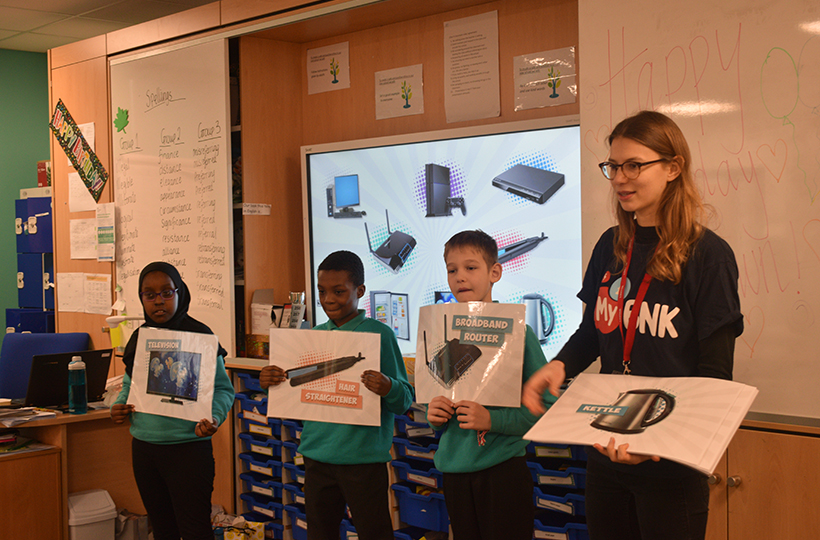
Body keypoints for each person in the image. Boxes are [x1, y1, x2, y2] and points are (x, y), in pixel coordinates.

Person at [522, 110, 744, 540]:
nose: (620, 178)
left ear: (673, 168)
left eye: (634, 165)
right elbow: (595, 331)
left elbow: (716, 375)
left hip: (668, 463)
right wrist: (560, 365)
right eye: (613, 166)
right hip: (608, 447)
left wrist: (658, 442)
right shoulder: (611, 245)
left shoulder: (708, 256)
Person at [259, 250, 414, 540]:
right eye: (322, 291)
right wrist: (270, 381)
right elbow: (292, 391)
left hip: (363, 461)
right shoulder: (312, 336)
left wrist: (388, 386)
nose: (328, 299)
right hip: (318, 457)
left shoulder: (380, 335)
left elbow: (404, 399)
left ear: (360, 291)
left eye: (339, 291)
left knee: (375, 532)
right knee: (320, 533)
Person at [426, 230, 556, 540]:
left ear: (494, 272)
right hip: (455, 471)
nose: (460, 277)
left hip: (503, 472)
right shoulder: (441, 333)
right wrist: (436, 417)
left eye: (471, 268)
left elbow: (547, 409)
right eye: (452, 269)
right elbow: (441, 409)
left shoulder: (520, 334)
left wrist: (492, 420)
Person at [110, 262, 235, 540]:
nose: (159, 301)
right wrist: (118, 405)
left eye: (167, 292)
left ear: (180, 293)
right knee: (162, 529)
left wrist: (214, 417)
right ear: (141, 298)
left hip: (188, 451)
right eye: (149, 294)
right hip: (145, 450)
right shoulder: (140, 338)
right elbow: (131, 385)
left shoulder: (201, 336)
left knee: (195, 530)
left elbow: (224, 390)